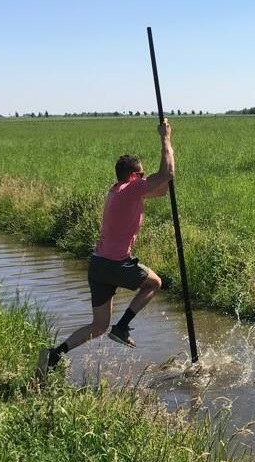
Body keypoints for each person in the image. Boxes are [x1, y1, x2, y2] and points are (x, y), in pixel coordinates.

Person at [37, 118, 175, 378]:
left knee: (98, 325)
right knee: (155, 283)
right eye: (142, 175)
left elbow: (162, 188)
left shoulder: (119, 191)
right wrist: (165, 138)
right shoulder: (131, 190)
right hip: (115, 264)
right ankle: (122, 328)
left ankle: (53, 356)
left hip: (98, 264)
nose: (144, 179)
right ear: (133, 176)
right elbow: (165, 175)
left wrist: (165, 173)